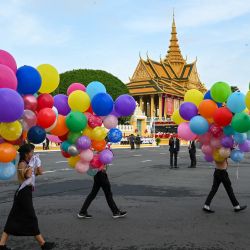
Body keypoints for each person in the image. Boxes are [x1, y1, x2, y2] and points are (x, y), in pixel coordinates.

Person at [0, 144, 55, 250]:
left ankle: (1, 245)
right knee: (31, 217)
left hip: (26, 193)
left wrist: (38, 164)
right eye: (31, 152)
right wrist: (31, 165)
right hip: (23, 194)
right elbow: (27, 176)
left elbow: (40, 173)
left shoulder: (28, 163)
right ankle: (43, 244)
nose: (33, 154)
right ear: (26, 154)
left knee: (12, 218)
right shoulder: (22, 164)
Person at [78, 153, 127, 219]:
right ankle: (115, 212)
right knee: (108, 194)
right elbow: (107, 158)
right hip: (101, 175)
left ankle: (82, 212)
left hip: (96, 174)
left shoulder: (92, 152)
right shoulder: (99, 151)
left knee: (93, 194)